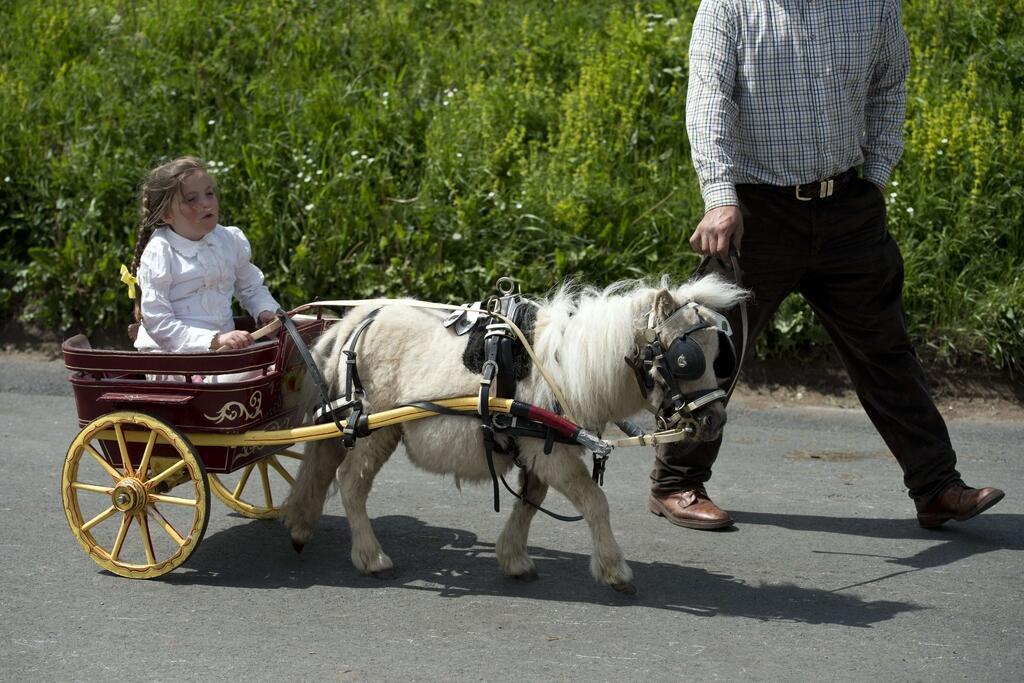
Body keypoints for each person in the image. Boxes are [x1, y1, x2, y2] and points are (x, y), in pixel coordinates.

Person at [649, 0, 1004, 530]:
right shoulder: (729, 7)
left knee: (886, 349)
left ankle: (936, 488)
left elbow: (890, 87)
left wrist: (877, 177)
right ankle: (675, 483)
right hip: (754, 212)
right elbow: (707, 100)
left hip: (846, 207)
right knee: (711, 346)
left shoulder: (874, 4)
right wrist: (720, 196)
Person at [128, 156, 280, 379]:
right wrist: (214, 340)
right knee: (258, 370)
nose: (206, 203)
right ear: (166, 214)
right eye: (192, 199)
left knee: (286, 360)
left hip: (223, 352)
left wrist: (265, 310)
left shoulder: (228, 239)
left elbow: (251, 288)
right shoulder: (161, 252)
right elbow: (159, 323)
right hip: (175, 359)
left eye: (209, 193)